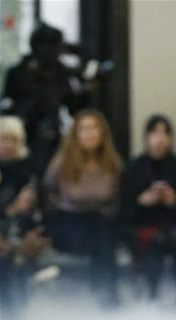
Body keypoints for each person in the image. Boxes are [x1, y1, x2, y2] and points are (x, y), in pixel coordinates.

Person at [43, 108, 122, 307]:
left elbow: (118, 196)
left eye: (94, 127)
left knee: (104, 237)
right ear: (75, 133)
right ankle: (101, 297)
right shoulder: (62, 162)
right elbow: (47, 191)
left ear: (102, 133)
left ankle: (108, 300)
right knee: (99, 241)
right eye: (84, 128)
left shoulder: (113, 162)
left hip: (102, 219)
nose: (89, 133)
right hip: (69, 219)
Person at [122, 115, 176, 308]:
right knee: (154, 240)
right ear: (146, 137)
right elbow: (124, 210)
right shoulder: (134, 167)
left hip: (175, 225)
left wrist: (174, 201)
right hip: (143, 226)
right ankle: (151, 296)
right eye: (155, 132)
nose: (160, 138)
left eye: (165, 133)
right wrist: (142, 201)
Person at [1, 22, 87, 175]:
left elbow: (75, 108)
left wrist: (82, 89)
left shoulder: (62, 73)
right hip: (24, 133)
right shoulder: (20, 72)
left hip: (53, 133)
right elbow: (8, 106)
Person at [0, 115, 51, 309]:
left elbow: (41, 209)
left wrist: (36, 234)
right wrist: (11, 209)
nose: (7, 145)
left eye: (12, 140)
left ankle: (20, 315)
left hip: (21, 232)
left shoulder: (30, 170)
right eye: (3, 139)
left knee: (22, 261)